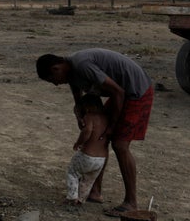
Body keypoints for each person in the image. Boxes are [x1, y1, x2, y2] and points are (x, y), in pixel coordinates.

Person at [36, 49, 153, 218]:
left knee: (120, 144)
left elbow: (118, 92)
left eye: (52, 80)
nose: (55, 84)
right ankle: (95, 192)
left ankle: (131, 202)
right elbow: (78, 95)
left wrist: (112, 126)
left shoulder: (82, 65)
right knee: (101, 136)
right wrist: (80, 113)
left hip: (136, 91)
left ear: (56, 68)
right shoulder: (70, 72)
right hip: (121, 92)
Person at [64, 93, 109, 206]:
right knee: (88, 180)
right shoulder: (106, 118)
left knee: (72, 172)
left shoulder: (90, 116)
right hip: (101, 160)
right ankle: (81, 199)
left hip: (87, 155)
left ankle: (72, 197)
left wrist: (78, 143)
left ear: (88, 106)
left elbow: (87, 131)